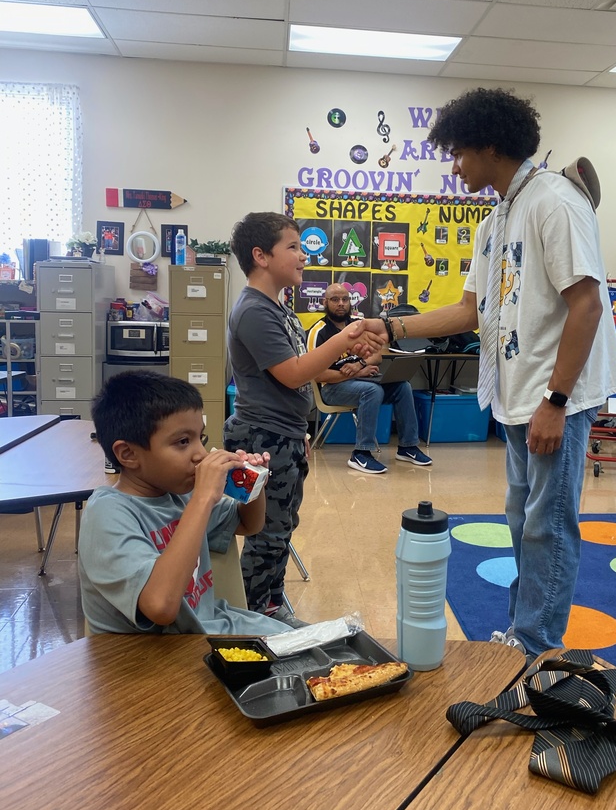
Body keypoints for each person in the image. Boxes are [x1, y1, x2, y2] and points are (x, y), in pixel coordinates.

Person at [350, 87, 616, 660]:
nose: (454, 166)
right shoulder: (495, 219)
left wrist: (557, 398)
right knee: (523, 520)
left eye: (458, 153)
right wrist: (392, 328)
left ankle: (536, 648)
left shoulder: (555, 200)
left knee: (548, 525)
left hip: (557, 397)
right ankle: (525, 633)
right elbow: (467, 312)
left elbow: (588, 305)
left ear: (491, 146)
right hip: (519, 395)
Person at [224, 212, 383, 615]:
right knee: (266, 533)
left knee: (282, 528)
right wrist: (347, 337)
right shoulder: (254, 311)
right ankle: (253, 616)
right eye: (292, 247)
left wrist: (302, 432)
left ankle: (273, 602)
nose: (302, 256)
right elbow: (294, 374)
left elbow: (302, 368)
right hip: (262, 438)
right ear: (261, 256)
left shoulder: (279, 309)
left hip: (284, 434)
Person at [79, 370, 294, 637]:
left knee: (330, 650)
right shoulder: (107, 514)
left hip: (211, 627)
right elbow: (160, 607)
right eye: (183, 442)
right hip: (153, 660)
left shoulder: (179, 495)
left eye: (200, 439)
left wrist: (252, 484)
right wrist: (203, 498)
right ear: (128, 454)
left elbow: (249, 523)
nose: (200, 454)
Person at [306, 283, 432, 474]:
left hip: (364, 380)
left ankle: (408, 447)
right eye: (335, 299)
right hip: (332, 388)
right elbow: (316, 374)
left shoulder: (359, 323)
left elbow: (378, 355)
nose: (341, 304)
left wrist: (360, 365)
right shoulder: (318, 331)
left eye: (345, 299)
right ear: (325, 302)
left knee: (403, 386)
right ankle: (361, 454)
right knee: (372, 391)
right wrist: (355, 373)